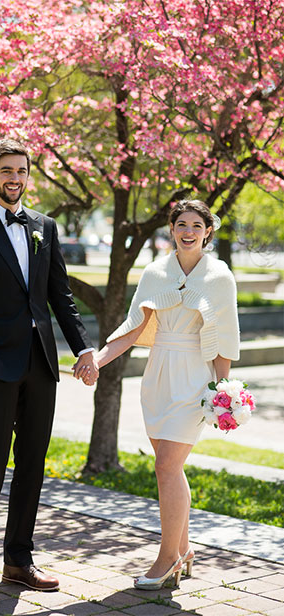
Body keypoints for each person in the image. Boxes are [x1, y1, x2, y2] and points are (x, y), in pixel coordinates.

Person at [0, 138, 98, 607]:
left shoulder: (45, 227)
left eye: (22, 171)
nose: (15, 178)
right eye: (7, 171)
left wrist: (83, 348)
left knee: (32, 463)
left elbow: (60, 297)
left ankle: (18, 560)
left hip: (41, 364)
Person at [93, 199, 239, 590]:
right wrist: (98, 359)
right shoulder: (156, 272)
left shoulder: (220, 277)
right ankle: (185, 549)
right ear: (171, 229)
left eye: (196, 225)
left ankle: (167, 556)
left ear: (208, 230)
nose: (188, 231)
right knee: (167, 466)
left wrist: (222, 392)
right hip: (158, 375)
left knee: (166, 468)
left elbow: (224, 338)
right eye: (181, 224)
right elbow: (133, 325)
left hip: (195, 377)